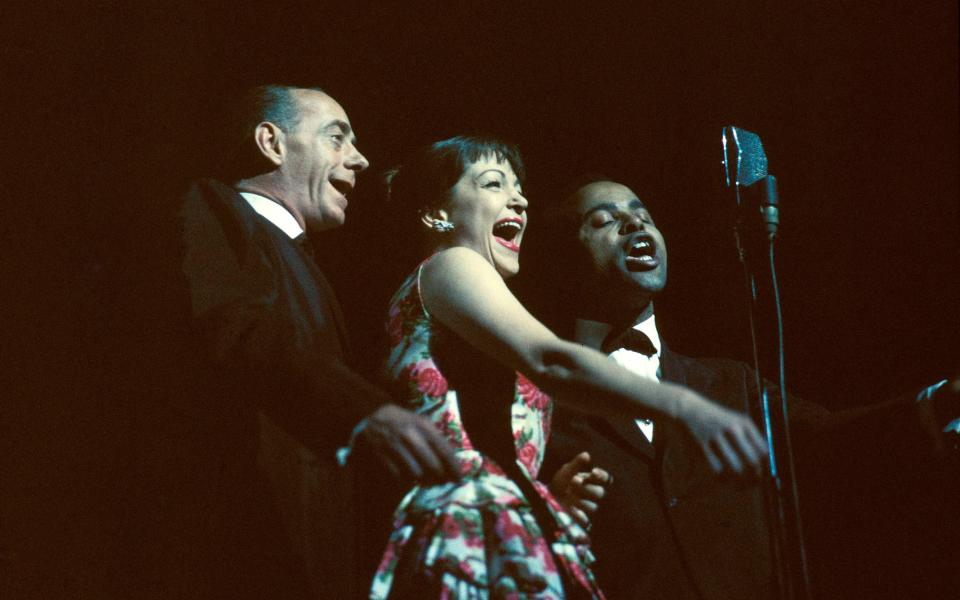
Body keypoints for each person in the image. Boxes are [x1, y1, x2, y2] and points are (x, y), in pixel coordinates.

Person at [362, 137, 769, 599]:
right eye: (493, 184)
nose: (519, 199)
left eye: (518, 187)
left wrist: (549, 497)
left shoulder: (451, 302)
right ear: (436, 214)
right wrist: (684, 405)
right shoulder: (451, 263)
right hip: (469, 532)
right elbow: (551, 360)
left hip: (492, 526)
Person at [535, 176, 960, 599]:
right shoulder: (538, 399)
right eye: (604, 220)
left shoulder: (728, 383)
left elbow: (827, 438)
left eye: (643, 215)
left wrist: (939, 402)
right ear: (563, 263)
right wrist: (552, 509)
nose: (634, 224)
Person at [131, 85, 460, 600]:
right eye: (337, 138)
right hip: (241, 546)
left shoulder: (307, 268)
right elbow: (236, 326)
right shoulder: (213, 207)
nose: (362, 160)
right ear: (271, 142)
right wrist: (363, 412)